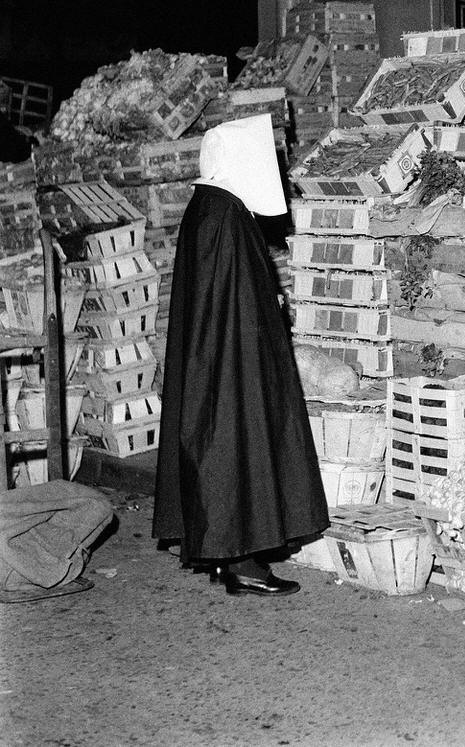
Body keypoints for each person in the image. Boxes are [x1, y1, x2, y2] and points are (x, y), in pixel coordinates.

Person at [152, 113, 327, 597]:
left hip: (217, 357)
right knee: (237, 447)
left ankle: (226, 555)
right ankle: (244, 562)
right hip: (232, 361)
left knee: (221, 446)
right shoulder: (225, 217)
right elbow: (235, 300)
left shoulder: (208, 206)